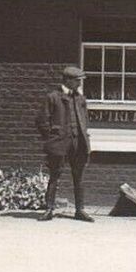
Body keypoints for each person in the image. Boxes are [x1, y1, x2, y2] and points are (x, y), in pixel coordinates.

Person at [36, 65, 93, 222]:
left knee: (79, 177)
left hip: (78, 143)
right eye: (77, 80)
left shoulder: (81, 99)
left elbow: (85, 120)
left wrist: (84, 137)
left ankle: (79, 210)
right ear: (67, 80)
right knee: (55, 176)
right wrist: (52, 137)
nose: (80, 83)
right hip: (59, 144)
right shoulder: (53, 97)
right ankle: (49, 209)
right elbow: (42, 121)